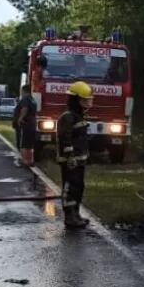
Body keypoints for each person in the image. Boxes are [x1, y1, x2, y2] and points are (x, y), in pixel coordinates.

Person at [57, 81, 93, 229]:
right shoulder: (68, 117)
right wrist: (70, 156)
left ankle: (76, 214)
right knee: (70, 187)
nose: (88, 102)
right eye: (85, 100)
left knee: (79, 187)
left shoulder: (79, 117)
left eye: (89, 99)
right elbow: (65, 139)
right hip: (70, 161)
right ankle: (69, 216)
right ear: (76, 100)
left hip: (79, 161)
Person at [16, 85, 38, 167]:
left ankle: (24, 160)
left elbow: (24, 109)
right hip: (33, 122)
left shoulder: (25, 99)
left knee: (24, 142)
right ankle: (31, 160)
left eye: (22, 91)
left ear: (24, 91)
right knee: (30, 143)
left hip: (26, 123)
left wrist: (20, 119)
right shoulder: (32, 99)